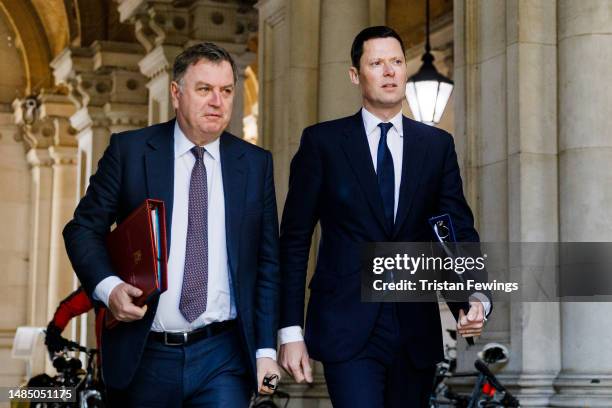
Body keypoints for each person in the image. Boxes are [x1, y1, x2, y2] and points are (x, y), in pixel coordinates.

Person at [277, 26, 491, 407]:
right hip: (347, 323)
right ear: (355, 75)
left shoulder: (436, 146)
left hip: (415, 328)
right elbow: (294, 240)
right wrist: (290, 330)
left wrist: (472, 296)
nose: (390, 71)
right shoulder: (322, 143)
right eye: (377, 63)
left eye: (396, 61)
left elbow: (454, 228)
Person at [63, 42, 281, 407]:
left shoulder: (255, 164)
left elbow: (267, 264)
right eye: (204, 89)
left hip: (223, 356)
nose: (218, 101)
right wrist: (109, 288)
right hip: (145, 353)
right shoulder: (130, 152)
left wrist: (265, 351)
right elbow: (83, 229)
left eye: (226, 90)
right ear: (176, 94)